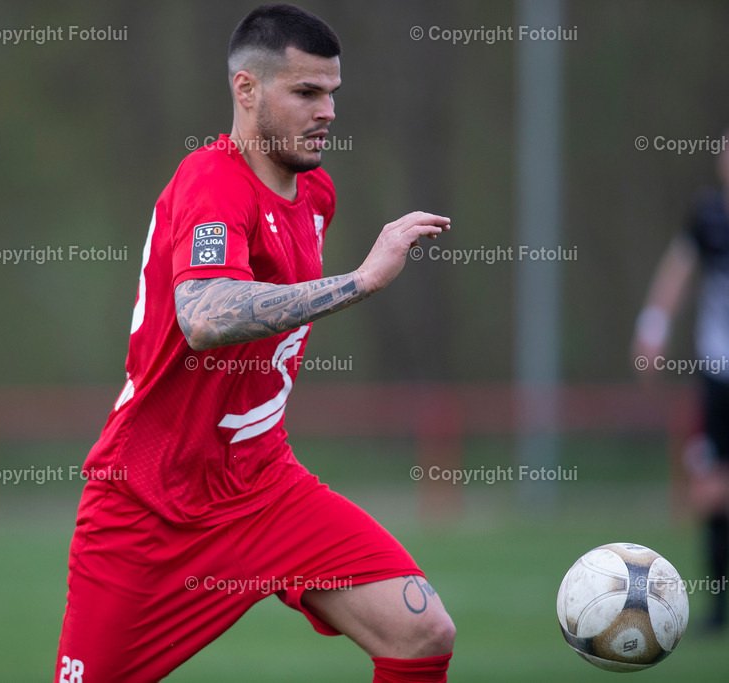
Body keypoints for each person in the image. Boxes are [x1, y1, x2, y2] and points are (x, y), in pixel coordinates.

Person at [55, 5, 455, 682]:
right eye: (305, 92)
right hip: (150, 501)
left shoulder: (316, 191)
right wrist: (359, 281)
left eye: (332, 92)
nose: (327, 110)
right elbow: (204, 317)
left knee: (420, 630)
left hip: (263, 486)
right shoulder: (212, 181)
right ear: (246, 90)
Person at [633, 134, 729, 634]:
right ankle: (718, 604)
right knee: (711, 490)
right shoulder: (708, 218)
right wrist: (653, 328)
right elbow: (677, 272)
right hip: (719, 373)